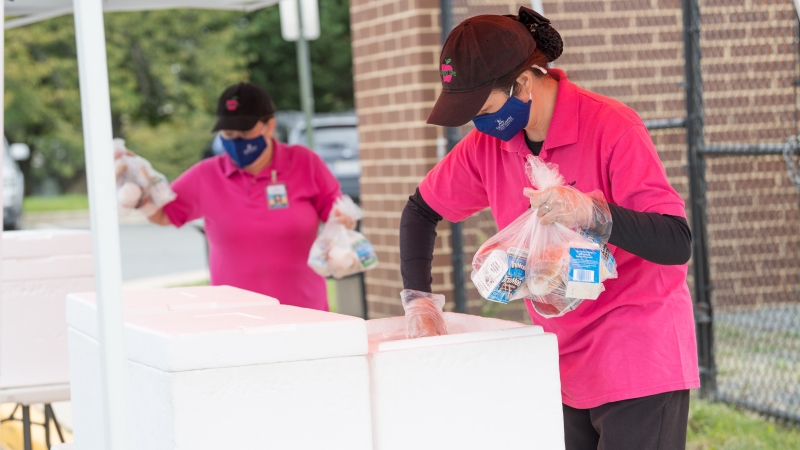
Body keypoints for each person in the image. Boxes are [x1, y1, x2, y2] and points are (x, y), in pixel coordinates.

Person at [399, 7, 698, 450]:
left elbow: (676, 241)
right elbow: (421, 211)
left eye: (483, 109)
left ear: (522, 83)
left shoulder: (612, 126)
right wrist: (420, 303)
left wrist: (595, 214)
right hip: (558, 362)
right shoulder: (489, 146)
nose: (478, 124)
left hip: (638, 356)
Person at [131, 82, 352, 311]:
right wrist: (138, 193)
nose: (237, 141)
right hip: (234, 318)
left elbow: (335, 211)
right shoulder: (206, 175)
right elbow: (164, 215)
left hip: (304, 313)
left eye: (245, 132)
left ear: (269, 126)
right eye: (228, 133)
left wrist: (343, 223)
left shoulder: (304, 163)